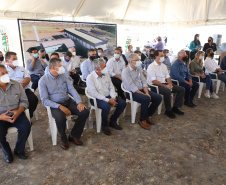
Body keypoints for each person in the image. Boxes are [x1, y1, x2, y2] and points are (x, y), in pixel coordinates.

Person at [38, 58, 89, 150]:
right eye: (60, 66)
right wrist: (59, 106)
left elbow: (71, 89)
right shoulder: (43, 81)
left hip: (67, 101)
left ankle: (74, 135)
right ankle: (63, 138)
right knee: (60, 117)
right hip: (54, 105)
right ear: (53, 67)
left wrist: (79, 102)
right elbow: (45, 100)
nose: (62, 68)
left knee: (84, 111)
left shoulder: (63, 76)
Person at [122, 53, 162, 130]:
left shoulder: (138, 67)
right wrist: (145, 95)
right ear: (131, 62)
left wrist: (146, 92)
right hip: (131, 92)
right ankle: (142, 120)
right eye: (137, 60)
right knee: (146, 99)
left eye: (139, 60)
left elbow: (143, 80)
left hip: (141, 89)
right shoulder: (125, 71)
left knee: (158, 97)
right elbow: (132, 86)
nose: (139, 61)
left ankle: (147, 116)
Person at [86, 59, 126, 135]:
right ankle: (104, 125)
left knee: (123, 103)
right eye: (104, 66)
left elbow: (111, 87)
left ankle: (112, 121)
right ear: (97, 69)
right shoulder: (90, 77)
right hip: (97, 99)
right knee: (106, 106)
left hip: (109, 96)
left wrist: (113, 98)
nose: (106, 68)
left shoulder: (106, 74)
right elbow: (94, 93)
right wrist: (108, 100)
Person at [0, 64, 30, 163]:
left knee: (26, 127)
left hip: (17, 113)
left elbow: (24, 101)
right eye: (2, 73)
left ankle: (19, 150)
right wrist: (1, 117)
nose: (6, 75)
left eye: (6, 72)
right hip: (1, 117)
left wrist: (18, 111)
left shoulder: (16, 84)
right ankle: (7, 153)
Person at [147, 50, 185, 119]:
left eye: (163, 55)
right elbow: (154, 80)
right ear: (156, 56)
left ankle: (175, 107)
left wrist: (170, 84)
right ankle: (168, 110)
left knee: (181, 89)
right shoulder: (151, 66)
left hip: (165, 84)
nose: (163, 57)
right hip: (155, 86)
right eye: (161, 56)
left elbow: (168, 77)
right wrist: (166, 86)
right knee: (167, 91)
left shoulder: (163, 66)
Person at [5, 51, 39, 118]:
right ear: (7, 60)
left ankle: (28, 116)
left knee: (34, 99)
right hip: (11, 92)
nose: (16, 60)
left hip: (24, 90)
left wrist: (21, 85)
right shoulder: (4, 70)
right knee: (14, 105)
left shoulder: (21, 68)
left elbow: (28, 78)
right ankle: (17, 116)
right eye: (14, 59)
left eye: (16, 59)